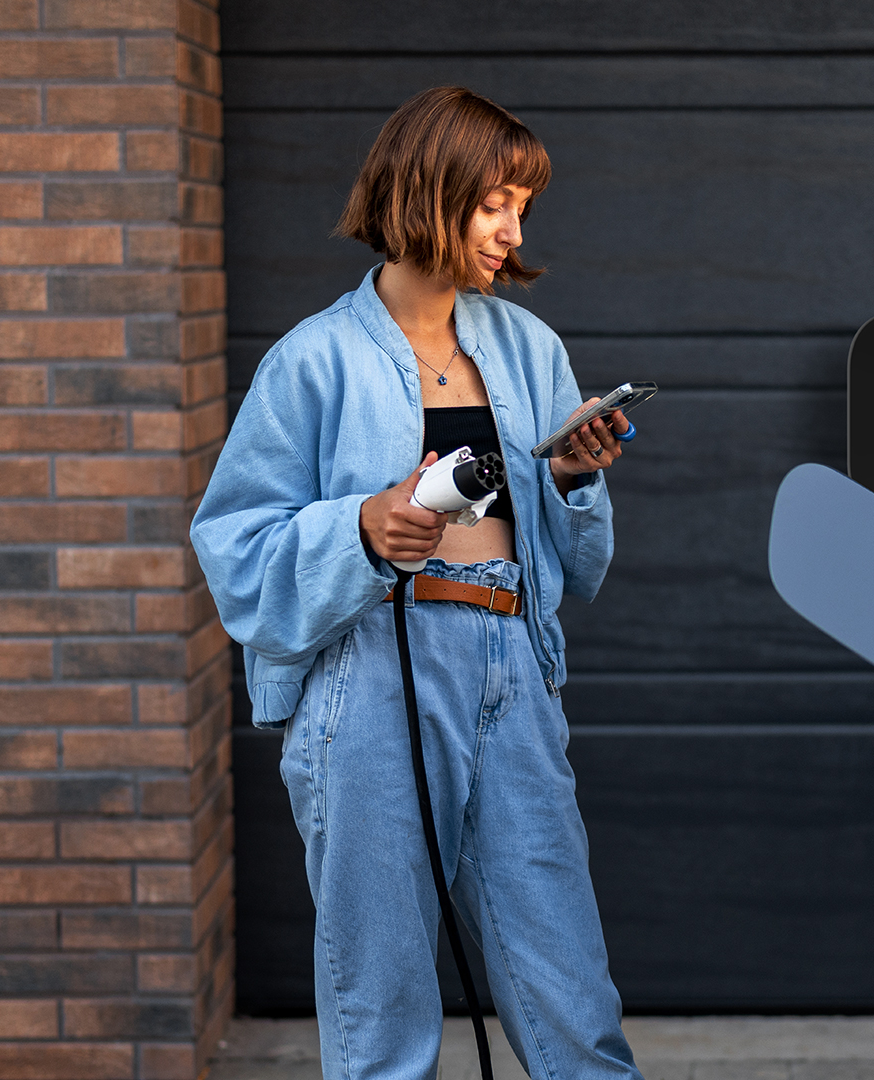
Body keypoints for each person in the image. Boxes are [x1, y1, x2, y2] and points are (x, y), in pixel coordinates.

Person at [190, 87, 642, 1080]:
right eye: (495, 204)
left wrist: (567, 481)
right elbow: (230, 542)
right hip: (374, 679)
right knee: (382, 996)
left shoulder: (528, 347)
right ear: (431, 191)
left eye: (523, 207)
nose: (512, 230)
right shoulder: (312, 361)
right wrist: (357, 525)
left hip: (511, 666)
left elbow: (581, 566)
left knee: (570, 989)